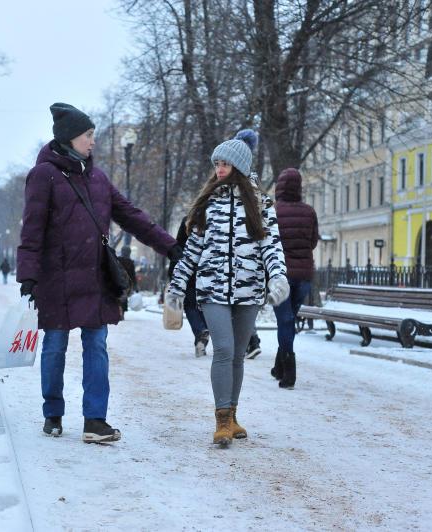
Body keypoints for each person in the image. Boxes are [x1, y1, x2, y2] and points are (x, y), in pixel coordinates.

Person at [17, 102, 180, 443]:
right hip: (56, 278)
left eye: (93, 136)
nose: (93, 142)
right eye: (88, 136)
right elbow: (31, 230)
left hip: (94, 278)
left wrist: (171, 246)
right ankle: (53, 412)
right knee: (55, 345)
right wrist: (28, 276)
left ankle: (95, 420)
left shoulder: (98, 178)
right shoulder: (43, 175)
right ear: (69, 137)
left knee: (96, 346)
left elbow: (133, 217)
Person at [166, 129, 289, 447]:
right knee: (222, 349)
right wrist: (177, 288)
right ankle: (221, 419)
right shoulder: (208, 204)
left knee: (237, 354)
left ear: (240, 166)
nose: (219, 169)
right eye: (216, 163)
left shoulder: (260, 205)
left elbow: (271, 247)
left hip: (248, 290)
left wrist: (277, 277)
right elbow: (192, 250)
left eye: (225, 164)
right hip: (213, 289)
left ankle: (232, 415)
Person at [270, 168, 319, 389]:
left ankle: (289, 372)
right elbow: (313, 241)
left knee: (285, 320)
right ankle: (279, 367)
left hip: (281, 276)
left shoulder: (272, 211)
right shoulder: (309, 212)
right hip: (304, 276)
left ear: (279, 186)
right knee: (288, 320)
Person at [168, 216, 209, 357]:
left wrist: (173, 272)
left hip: (189, 271)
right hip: (207, 271)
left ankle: (200, 333)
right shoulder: (214, 218)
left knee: (190, 305)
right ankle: (202, 336)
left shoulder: (188, 220)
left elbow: (178, 247)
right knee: (203, 306)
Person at [117, 245, 137, 314]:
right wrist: (135, 285)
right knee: (124, 297)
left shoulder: (117, 259)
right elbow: (133, 275)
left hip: (118, 281)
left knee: (119, 296)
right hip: (126, 282)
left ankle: (119, 310)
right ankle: (122, 311)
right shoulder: (130, 262)